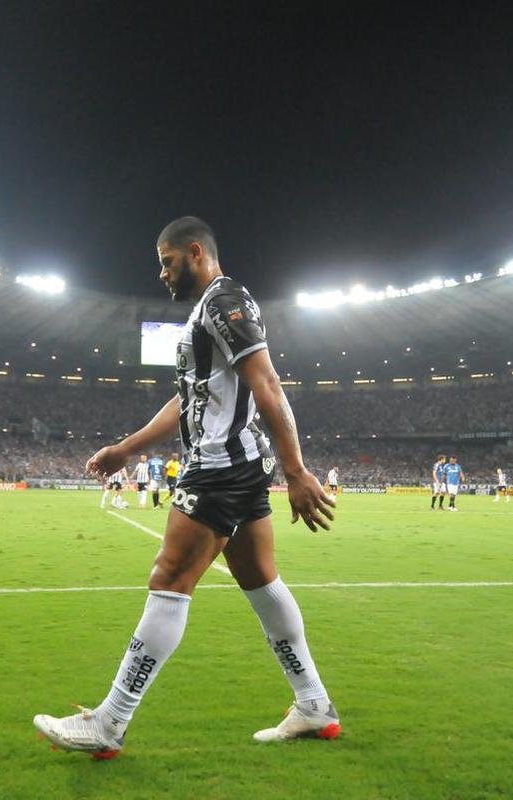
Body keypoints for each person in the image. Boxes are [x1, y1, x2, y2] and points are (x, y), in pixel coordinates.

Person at [33, 216, 339, 759]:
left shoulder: (224, 302)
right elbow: (190, 401)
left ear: (195, 253)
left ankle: (110, 722)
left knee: (170, 576)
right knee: (261, 581)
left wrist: (297, 470)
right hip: (238, 463)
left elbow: (266, 381)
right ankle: (313, 702)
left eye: (167, 261)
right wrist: (128, 447)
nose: (162, 273)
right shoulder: (206, 313)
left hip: (219, 466)